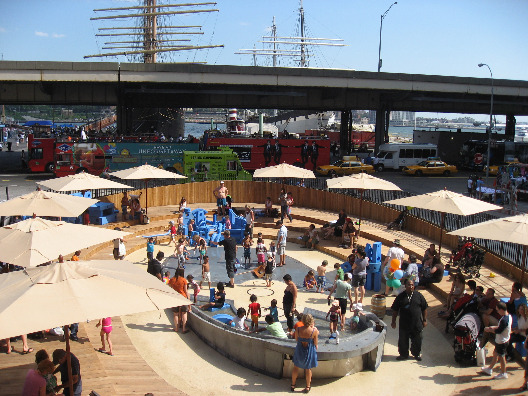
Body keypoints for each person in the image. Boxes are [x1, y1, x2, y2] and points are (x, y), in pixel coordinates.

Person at [391, 279, 428, 361]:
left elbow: (424, 308)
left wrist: (424, 320)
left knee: (418, 340)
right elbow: (395, 310)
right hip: (404, 324)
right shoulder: (400, 297)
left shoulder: (419, 296)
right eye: (409, 285)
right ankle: (403, 355)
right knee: (403, 340)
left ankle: (416, 354)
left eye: (412, 285)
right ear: (405, 286)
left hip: (417, 323)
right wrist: (393, 321)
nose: (411, 286)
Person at [480, 302, 512, 380]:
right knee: (495, 353)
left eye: (497, 310)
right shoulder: (508, 316)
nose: (497, 312)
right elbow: (500, 327)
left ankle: (503, 373)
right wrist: (493, 327)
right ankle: (490, 368)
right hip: (502, 340)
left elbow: (499, 331)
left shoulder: (504, 320)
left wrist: (489, 330)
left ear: (501, 310)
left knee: (501, 357)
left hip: (502, 341)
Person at [291, 313, 319, 393]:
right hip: (309, 350)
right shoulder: (314, 331)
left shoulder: (298, 329)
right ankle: (307, 386)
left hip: (299, 349)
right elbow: (316, 343)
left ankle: (293, 385)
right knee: (308, 369)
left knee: (295, 367)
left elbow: (296, 339)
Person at [168, 267, 191, 333]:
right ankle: (184, 328)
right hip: (183, 297)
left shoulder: (172, 279)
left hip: (174, 297)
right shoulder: (184, 280)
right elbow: (186, 291)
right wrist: (188, 300)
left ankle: (176, 328)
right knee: (184, 313)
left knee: (175, 314)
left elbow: (170, 289)